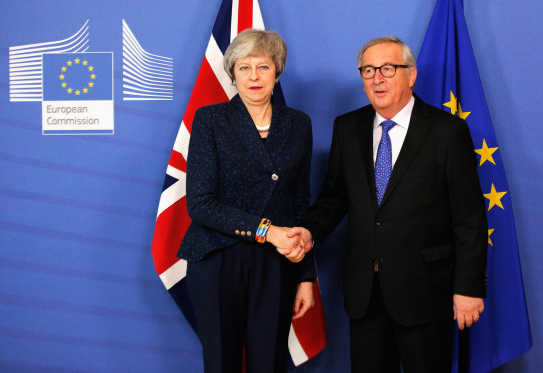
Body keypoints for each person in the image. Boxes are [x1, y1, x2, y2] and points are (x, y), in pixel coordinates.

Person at [283, 36, 488, 372]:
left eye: (388, 68)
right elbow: (334, 199)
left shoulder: (446, 132)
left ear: (411, 75)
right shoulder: (348, 128)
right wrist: (308, 232)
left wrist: (468, 288)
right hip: (365, 294)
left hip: (425, 292)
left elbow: (470, 219)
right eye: (368, 70)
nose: (377, 78)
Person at [177, 29, 316, 373]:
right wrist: (267, 232)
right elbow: (200, 203)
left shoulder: (298, 123)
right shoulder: (210, 120)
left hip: (277, 265)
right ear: (233, 73)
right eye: (244, 67)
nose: (254, 76)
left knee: (269, 364)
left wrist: (306, 278)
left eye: (263, 67)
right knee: (222, 363)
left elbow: (300, 203)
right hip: (218, 260)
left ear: (277, 72)